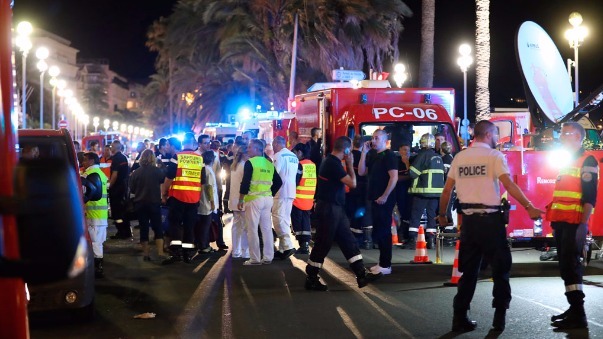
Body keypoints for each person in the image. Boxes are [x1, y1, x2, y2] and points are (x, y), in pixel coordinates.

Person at [438, 120, 544, 332]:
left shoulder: (460, 157)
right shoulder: (494, 157)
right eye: (495, 134)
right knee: (501, 270)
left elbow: (447, 190)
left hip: (468, 223)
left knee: (468, 273)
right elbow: (509, 184)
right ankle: (499, 318)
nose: (497, 139)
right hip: (490, 222)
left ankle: (459, 318)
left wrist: (442, 215)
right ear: (487, 134)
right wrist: (529, 206)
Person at [305, 136, 382, 291]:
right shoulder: (333, 164)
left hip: (335, 208)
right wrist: (349, 163)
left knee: (348, 240)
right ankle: (311, 276)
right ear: (347, 150)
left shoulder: (330, 161)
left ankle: (361, 274)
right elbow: (352, 183)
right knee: (323, 242)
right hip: (329, 208)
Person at [546, 122, 598, 330]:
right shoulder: (568, 160)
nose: (562, 137)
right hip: (562, 223)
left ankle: (579, 313)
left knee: (571, 267)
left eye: (567, 133)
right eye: (562, 133)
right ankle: (574, 309)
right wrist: (555, 223)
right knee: (566, 267)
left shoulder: (588, 160)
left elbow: (589, 197)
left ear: (578, 137)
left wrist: (583, 226)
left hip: (575, 223)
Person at [358, 129, 398, 275]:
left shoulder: (389, 156)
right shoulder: (374, 155)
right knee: (380, 230)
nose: (373, 141)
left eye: (376, 138)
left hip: (384, 200)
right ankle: (382, 262)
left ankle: (386, 264)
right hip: (375, 198)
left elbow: (393, 177)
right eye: (373, 138)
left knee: (384, 231)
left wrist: (385, 196)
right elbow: (361, 172)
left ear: (384, 140)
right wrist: (364, 153)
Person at [237, 138, 282, 266]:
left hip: (253, 199)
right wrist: (270, 193)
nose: (248, 149)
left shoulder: (250, 162)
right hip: (267, 199)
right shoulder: (269, 163)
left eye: (250, 147)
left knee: (252, 229)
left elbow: (245, 183)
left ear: (257, 149)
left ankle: (255, 259)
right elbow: (279, 182)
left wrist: (241, 199)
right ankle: (268, 257)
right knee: (267, 229)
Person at [161, 133, 203, 265]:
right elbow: (203, 181)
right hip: (194, 198)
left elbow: (169, 177)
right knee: (189, 226)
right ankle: (187, 254)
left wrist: (164, 193)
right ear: (194, 142)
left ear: (183, 142)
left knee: (175, 225)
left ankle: (176, 253)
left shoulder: (177, 156)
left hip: (178, 197)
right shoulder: (199, 158)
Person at [407, 134, 445, 249]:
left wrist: (406, 162)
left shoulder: (422, 155)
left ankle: (412, 240)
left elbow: (412, 173)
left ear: (422, 143)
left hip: (422, 192)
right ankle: (431, 241)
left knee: (416, 215)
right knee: (431, 216)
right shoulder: (438, 157)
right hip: (436, 194)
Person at [129, 149, 166, 261]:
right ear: (153, 158)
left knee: (143, 228)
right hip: (154, 203)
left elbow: (132, 189)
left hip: (140, 204)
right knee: (158, 227)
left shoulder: (136, 173)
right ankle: (160, 252)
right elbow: (162, 183)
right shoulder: (158, 171)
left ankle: (146, 254)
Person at [81, 152, 109, 278]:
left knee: (95, 242)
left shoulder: (90, 174)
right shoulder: (101, 174)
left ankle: (98, 268)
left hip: (94, 214)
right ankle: (98, 267)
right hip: (101, 214)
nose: (83, 163)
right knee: (98, 242)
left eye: (85, 160)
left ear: (92, 161)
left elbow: (87, 191)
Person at [271, 135, 298, 259]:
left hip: (280, 191)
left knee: (277, 218)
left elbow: (274, 175)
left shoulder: (278, 156)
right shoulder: (294, 156)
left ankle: (287, 246)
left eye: (273, 145)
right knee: (285, 219)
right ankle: (282, 250)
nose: (272, 148)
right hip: (291, 191)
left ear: (276, 144)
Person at [345, 135, 371, 248]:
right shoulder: (365, 158)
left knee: (351, 212)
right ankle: (360, 238)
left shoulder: (347, 157)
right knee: (360, 212)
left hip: (349, 188)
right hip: (363, 188)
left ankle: (352, 237)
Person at [291, 142, 316, 254]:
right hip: (308, 199)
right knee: (306, 222)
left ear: (300, 152)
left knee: (298, 223)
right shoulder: (312, 165)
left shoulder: (299, 165)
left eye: (295, 153)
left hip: (298, 199)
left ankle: (302, 245)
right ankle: (305, 245)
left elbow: (295, 181)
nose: (294, 155)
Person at [228, 143, 250, 259]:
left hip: (234, 200)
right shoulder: (245, 166)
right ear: (245, 154)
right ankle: (245, 251)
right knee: (245, 227)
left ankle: (236, 251)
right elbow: (246, 185)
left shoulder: (234, 166)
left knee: (236, 226)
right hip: (242, 200)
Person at [108, 140, 132, 239]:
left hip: (117, 189)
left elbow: (114, 174)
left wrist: (109, 186)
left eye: (112, 146)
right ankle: (126, 231)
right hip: (123, 187)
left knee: (117, 212)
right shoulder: (123, 157)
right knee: (123, 211)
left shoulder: (116, 159)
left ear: (115, 148)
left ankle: (121, 232)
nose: (110, 148)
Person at [395, 142, 412, 243]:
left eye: (408, 150)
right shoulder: (396, 162)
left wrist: (407, 164)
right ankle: (400, 234)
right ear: (400, 150)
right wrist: (408, 177)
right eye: (405, 149)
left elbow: (412, 174)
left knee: (407, 214)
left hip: (409, 192)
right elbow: (396, 178)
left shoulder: (411, 162)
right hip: (399, 192)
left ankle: (405, 234)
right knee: (400, 213)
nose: (407, 152)